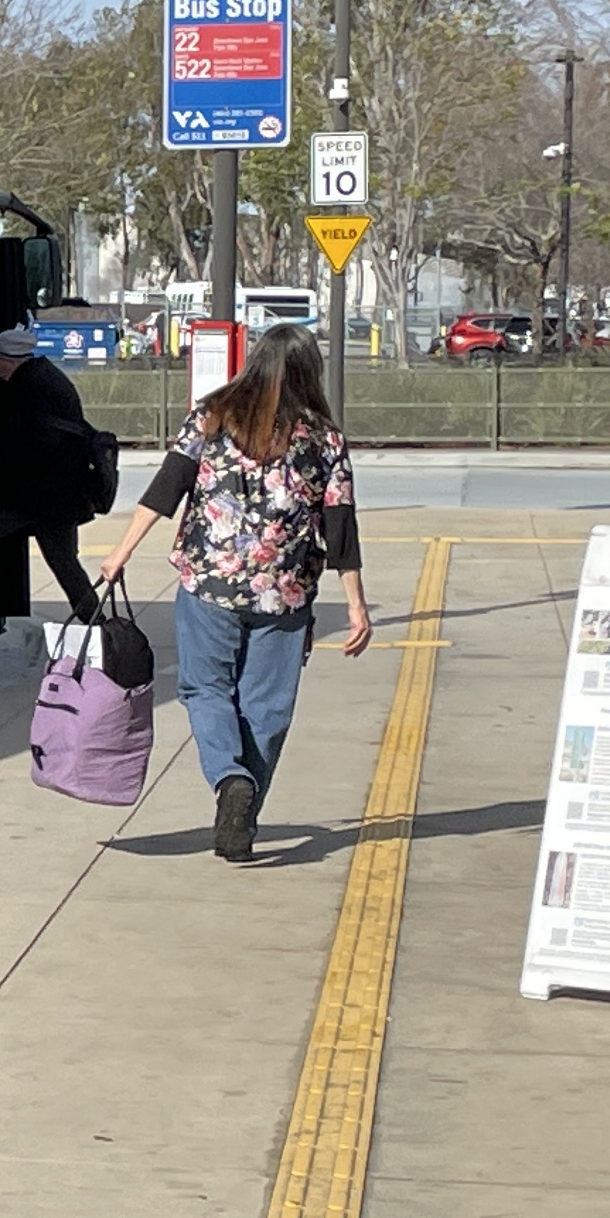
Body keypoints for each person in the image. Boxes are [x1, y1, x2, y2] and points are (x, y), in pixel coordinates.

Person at [93, 326, 373, 864]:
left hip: (209, 584)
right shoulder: (325, 440)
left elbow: (166, 488)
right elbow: (340, 527)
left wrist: (121, 551)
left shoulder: (211, 416)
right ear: (309, 372)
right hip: (284, 593)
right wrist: (356, 605)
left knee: (205, 689)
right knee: (268, 708)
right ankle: (242, 816)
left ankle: (228, 779)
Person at [0, 323, 106, 619]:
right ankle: (96, 623)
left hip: (44, 495)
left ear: (8, 361)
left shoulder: (30, 387)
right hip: (58, 493)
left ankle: (96, 622)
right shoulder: (45, 377)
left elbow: (37, 444)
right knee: (65, 562)